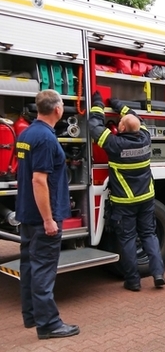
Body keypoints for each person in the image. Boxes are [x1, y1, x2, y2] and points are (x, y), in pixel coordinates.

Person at [16, 89, 80, 339]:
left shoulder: (27, 133)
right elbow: (39, 181)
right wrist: (48, 219)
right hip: (43, 217)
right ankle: (49, 324)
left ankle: (32, 315)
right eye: (63, 104)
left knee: (30, 268)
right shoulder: (45, 138)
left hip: (26, 213)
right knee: (43, 270)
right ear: (57, 109)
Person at [89, 91, 165, 291]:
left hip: (124, 203)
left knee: (128, 240)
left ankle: (133, 281)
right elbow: (136, 118)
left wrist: (98, 103)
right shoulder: (146, 137)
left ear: (120, 128)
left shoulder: (114, 144)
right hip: (147, 199)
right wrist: (118, 104)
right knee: (149, 235)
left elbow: (94, 126)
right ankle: (158, 274)